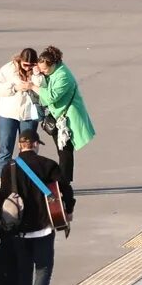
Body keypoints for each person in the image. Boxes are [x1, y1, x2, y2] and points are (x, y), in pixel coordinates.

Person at [0, 129, 64, 285]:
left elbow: (3, 199)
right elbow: (65, 192)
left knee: (24, 272)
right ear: (36, 145)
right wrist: (67, 212)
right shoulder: (48, 165)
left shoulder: (9, 169)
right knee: (44, 268)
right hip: (44, 228)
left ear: (19, 145)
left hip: (19, 232)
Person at [32, 45, 94, 215]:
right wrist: (39, 76)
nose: (43, 72)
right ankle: (64, 181)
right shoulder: (54, 71)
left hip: (68, 118)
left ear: (53, 64)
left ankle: (64, 183)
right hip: (60, 117)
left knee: (65, 150)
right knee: (62, 150)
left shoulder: (63, 75)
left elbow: (51, 96)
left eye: (45, 69)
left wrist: (34, 86)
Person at [0, 48, 43, 178]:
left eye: (31, 65)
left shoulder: (38, 70)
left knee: (28, 149)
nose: (28, 68)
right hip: (7, 113)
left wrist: (36, 76)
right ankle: (2, 181)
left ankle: (27, 180)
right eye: (25, 65)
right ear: (20, 60)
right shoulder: (8, 69)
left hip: (29, 114)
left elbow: (43, 88)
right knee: (5, 148)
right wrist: (15, 87)